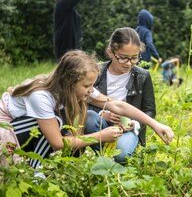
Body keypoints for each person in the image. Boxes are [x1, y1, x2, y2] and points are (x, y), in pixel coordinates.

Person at [0, 50, 174, 168]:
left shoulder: (70, 88)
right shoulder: (41, 96)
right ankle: (35, 172)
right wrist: (99, 136)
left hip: (24, 128)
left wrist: (155, 124)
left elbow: (117, 104)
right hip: (5, 131)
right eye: (87, 86)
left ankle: (36, 169)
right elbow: (58, 143)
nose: (92, 90)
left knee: (59, 122)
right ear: (69, 82)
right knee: (58, 124)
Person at [86, 27, 156, 163]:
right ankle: (104, 154)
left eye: (135, 58)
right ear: (110, 52)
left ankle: (116, 153)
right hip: (101, 124)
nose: (129, 63)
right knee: (89, 117)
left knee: (120, 154)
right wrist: (102, 114)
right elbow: (83, 100)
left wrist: (134, 123)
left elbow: (149, 110)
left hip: (127, 129)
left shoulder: (143, 76)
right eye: (123, 58)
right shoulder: (96, 72)